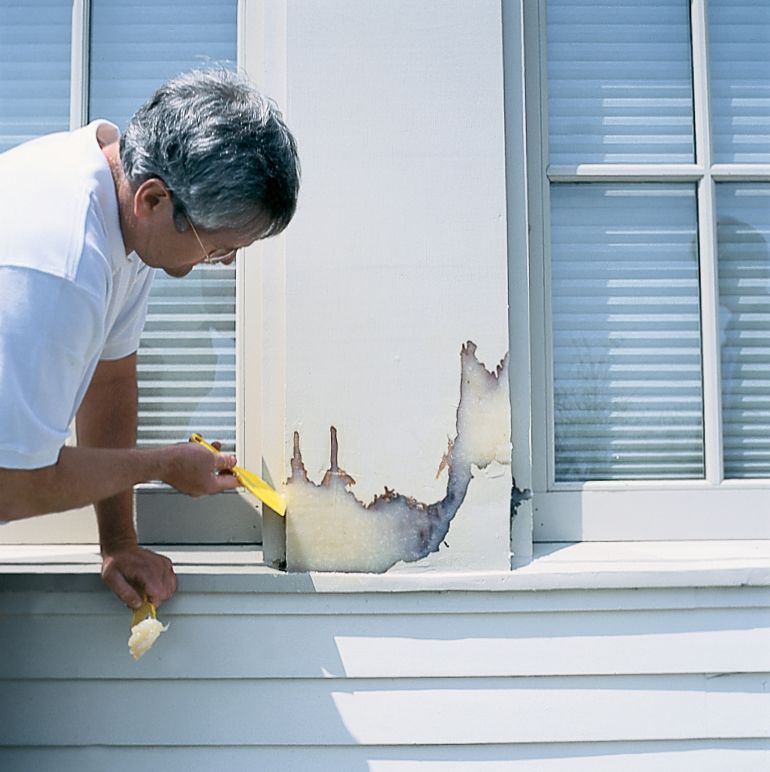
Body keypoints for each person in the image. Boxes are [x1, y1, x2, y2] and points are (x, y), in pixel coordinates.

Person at [0, 69, 300, 610]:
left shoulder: (121, 214)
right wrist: (163, 464)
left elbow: (109, 381)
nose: (225, 261)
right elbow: (10, 484)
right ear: (155, 201)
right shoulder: (62, 259)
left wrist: (119, 541)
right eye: (218, 247)